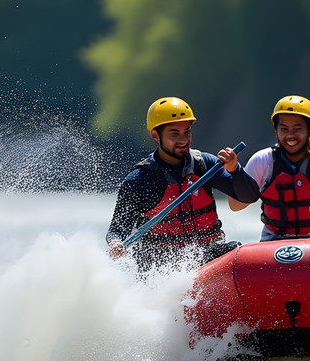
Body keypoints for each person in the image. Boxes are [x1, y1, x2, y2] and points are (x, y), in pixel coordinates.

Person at [106, 96, 260, 270]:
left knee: (236, 250)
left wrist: (235, 169)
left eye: (186, 131)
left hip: (207, 257)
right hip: (162, 267)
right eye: (174, 134)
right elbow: (116, 230)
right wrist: (116, 244)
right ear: (155, 135)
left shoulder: (204, 164)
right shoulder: (139, 181)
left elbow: (250, 196)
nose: (183, 140)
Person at [228, 95, 310, 241]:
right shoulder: (262, 161)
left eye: (298, 129)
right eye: (284, 129)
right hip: (273, 241)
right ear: (276, 129)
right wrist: (234, 171)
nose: (290, 135)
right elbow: (235, 206)